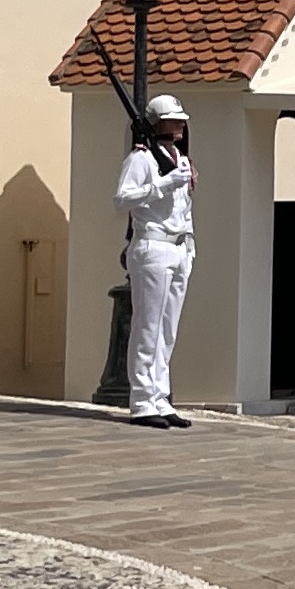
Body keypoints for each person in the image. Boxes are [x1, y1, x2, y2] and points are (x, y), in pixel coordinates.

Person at [112, 93, 199, 429]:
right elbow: (122, 200)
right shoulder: (142, 160)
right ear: (158, 123)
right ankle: (143, 401)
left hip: (179, 248)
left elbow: (183, 209)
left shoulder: (179, 158)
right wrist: (162, 184)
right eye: (173, 119)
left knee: (167, 330)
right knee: (147, 328)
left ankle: (161, 398)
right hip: (153, 246)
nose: (180, 124)